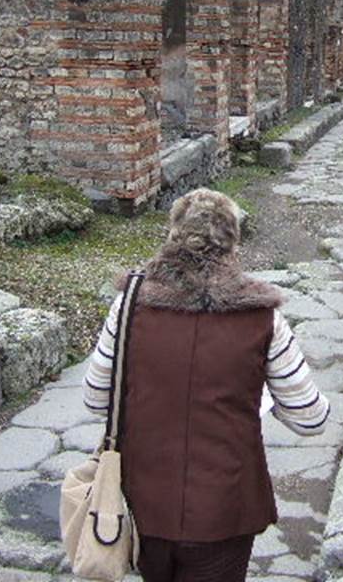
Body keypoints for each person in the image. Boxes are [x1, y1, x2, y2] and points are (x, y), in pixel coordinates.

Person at [83, 188, 330, 582]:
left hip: (142, 501)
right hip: (226, 507)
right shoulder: (261, 317)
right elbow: (310, 419)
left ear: (173, 235)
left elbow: (96, 399)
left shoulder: (129, 305)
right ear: (232, 241)